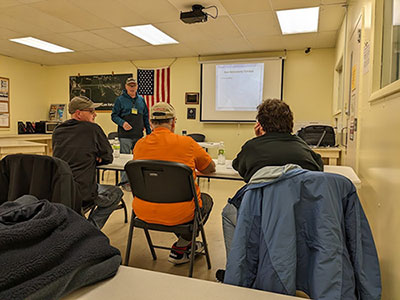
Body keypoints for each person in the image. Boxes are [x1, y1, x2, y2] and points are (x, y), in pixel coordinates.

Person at [218, 99, 324, 282]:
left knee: (228, 213)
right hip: (297, 216)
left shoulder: (253, 147)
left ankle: (237, 272)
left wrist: (259, 140)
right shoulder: (302, 147)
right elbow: (318, 168)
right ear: (290, 123)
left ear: (260, 124)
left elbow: (239, 167)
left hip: (261, 215)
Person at [132, 102, 216, 265]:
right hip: (180, 213)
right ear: (173, 122)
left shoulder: (139, 145)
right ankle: (183, 245)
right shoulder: (187, 143)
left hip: (143, 211)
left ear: (151, 123)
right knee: (206, 200)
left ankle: (185, 245)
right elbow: (210, 168)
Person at [52, 96, 123, 229]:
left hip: (60, 192)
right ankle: (90, 229)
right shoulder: (92, 129)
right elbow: (108, 156)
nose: (95, 114)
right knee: (116, 192)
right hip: (84, 193)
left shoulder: (58, 131)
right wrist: (97, 156)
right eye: (91, 111)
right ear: (78, 113)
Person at [111, 77, 151, 162]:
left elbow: (146, 116)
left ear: (137, 87)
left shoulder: (141, 100)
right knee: (124, 161)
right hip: (125, 137)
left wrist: (149, 133)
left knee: (138, 160)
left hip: (139, 136)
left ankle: (136, 176)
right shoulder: (119, 100)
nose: (132, 87)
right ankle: (124, 176)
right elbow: (114, 116)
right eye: (130, 85)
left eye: (134, 85)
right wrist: (123, 123)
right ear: (126, 86)